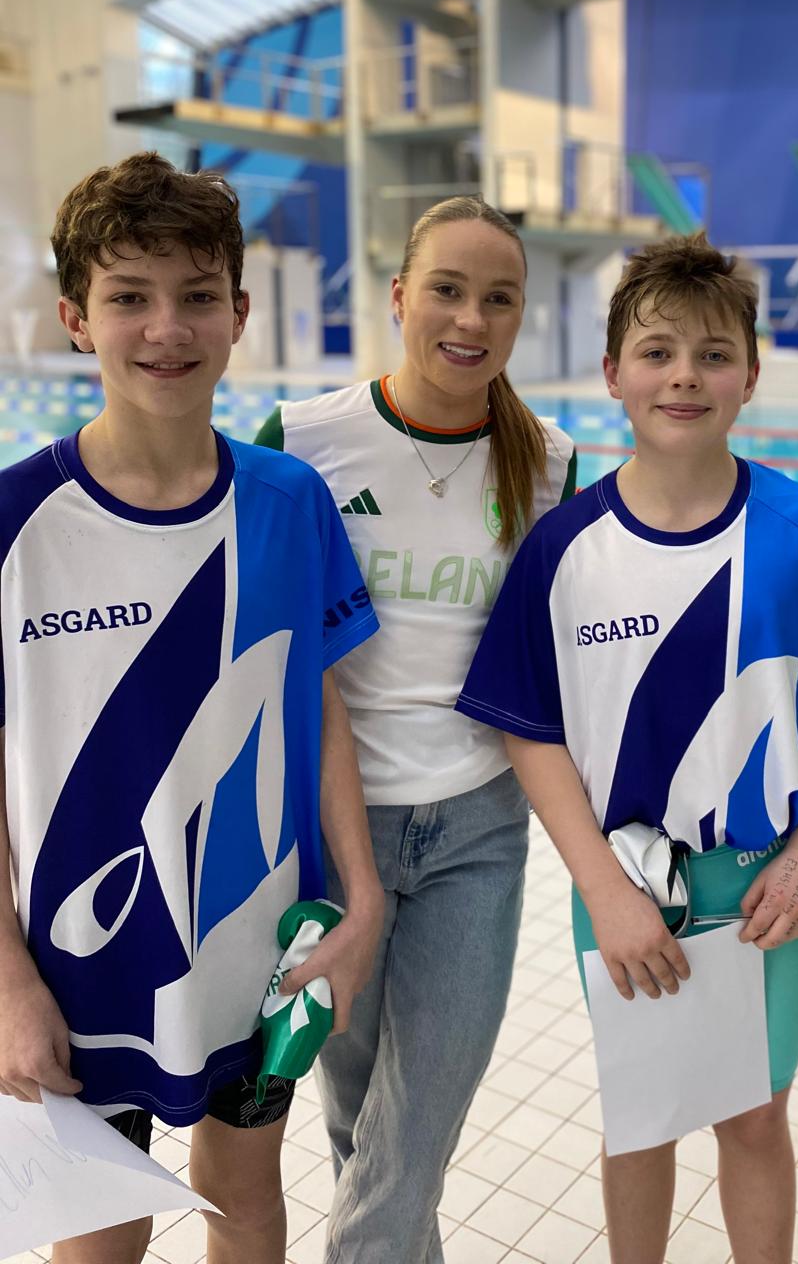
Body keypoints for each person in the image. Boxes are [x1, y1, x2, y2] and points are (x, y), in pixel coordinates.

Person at [458, 232, 798, 1264]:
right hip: (626, 880)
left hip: (766, 887)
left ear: (749, 374)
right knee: (639, 1116)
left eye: (711, 353)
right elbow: (531, 725)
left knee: (754, 1115)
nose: (684, 374)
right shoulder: (564, 548)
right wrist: (600, 885)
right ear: (612, 373)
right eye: (655, 351)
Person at [0, 152, 383, 1264]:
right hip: (80, 973)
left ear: (239, 313)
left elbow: (321, 707)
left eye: (196, 295)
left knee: (245, 1202)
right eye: (129, 297)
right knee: (98, 1237)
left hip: (254, 953)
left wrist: (360, 903)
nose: (166, 327)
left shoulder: (290, 502)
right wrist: (10, 983)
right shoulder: (18, 523)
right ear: (77, 318)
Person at [254, 195, 575, 1264]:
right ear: (399, 296)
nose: (470, 317)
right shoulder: (301, 444)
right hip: (334, 837)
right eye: (446, 286)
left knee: (410, 1135)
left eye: (499, 296)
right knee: (362, 1136)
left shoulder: (552, 465)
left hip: (478, 831)